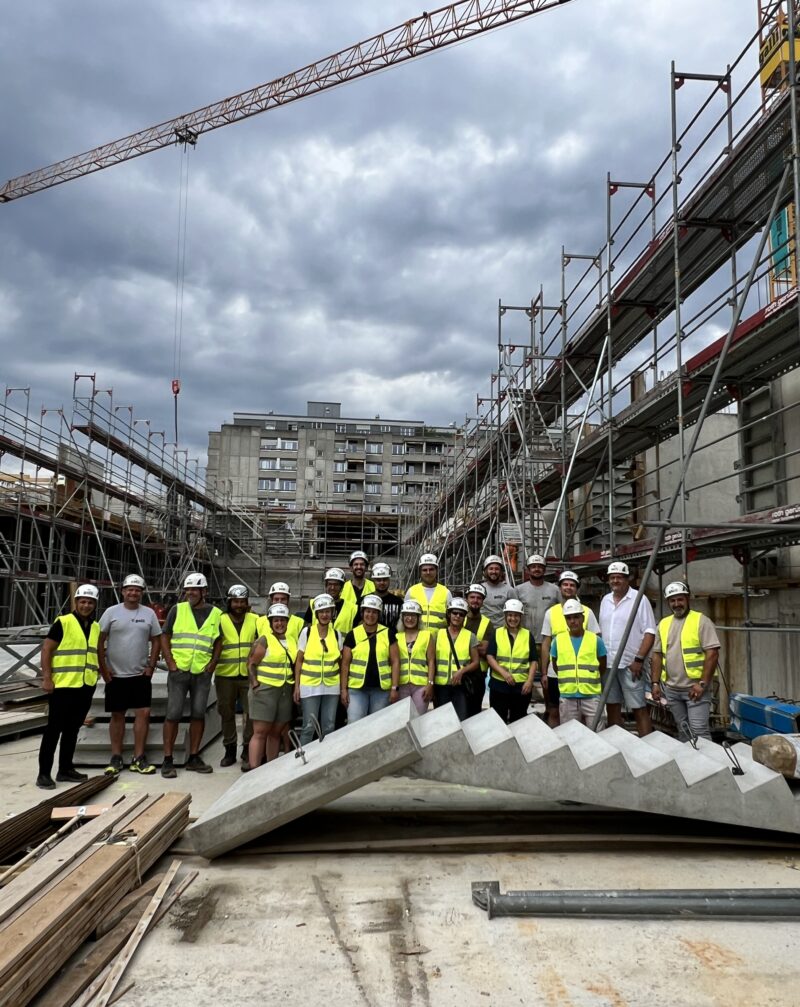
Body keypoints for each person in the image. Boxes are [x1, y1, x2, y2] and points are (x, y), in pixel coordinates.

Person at [36, 584, 100, 789]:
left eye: (90, 602)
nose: (86, 605)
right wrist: (47, 678)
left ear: (95, 604)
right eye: (82, 601)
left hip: (85, 685)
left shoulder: (95, 626)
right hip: (63, 685)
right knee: (53, 730)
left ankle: (65, 769)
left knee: (72, 729)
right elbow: (47, 650)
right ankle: (44, 774)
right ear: (76, 602)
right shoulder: (63, 622)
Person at [97, 573, 161, 775]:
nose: (133, 593)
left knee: (143, 713)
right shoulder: (111, 612)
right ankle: (116, 757)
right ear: (123, 591)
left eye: (137, 590)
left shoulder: (149, 614)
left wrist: (151, 666)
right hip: (116, 675)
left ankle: (138, 757)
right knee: (117, 716)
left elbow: (157, 640)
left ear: (141, 593)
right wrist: (103, 668)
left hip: (140, 675)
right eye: (130, 589)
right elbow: (99, 640)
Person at [159, 572, 222, 777]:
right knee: (173, 714)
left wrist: (212, 664)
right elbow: (165, 635)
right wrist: (170, 662)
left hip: (201, 673)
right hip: (179, 672)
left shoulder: (215, 613)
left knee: (198, 714)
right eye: (187, 590)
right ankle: (167, 759)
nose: (190, 593)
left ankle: (194, 757)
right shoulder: (177, 610)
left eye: (195, 589)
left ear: (204, 591)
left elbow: (219, 641)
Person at [650, 581, 721, 742]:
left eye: (680, 599)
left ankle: (708, 766)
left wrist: (702, 683)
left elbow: (712, 654)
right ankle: (689, 765)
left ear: (688, 599)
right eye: (672, 600)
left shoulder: (701, 621)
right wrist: (655, 683)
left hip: (695, 689)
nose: (676, 604)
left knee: (699, 731)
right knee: (683, 730)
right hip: (672, 689)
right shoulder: (664, 624)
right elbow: (656, 655)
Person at [598, 561, 655, 737]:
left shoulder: (639, 599)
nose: (615, 580)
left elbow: (650, 632)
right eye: (612, 577)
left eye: (619, 577)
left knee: (638, 707)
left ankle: (647, 744)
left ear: (627, 578)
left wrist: (639, 659)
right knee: (612, 706)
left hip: (631, 664)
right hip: (609, 664)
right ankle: (619, 744)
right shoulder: (605, 601)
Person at [540, 570, 601, 728]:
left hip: (584, 679)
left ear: (577, 588)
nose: (568, 587)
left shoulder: (587, 612)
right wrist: (545, 672)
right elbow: (546, 643)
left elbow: (597, 643)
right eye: (565, 584)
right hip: (557, 674)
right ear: (560, 588)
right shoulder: (551, 613)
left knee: (582, 716)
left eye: (572, 585)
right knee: (554, 710)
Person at [212, 584, 258, 769]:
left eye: (242, 601)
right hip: (225, 675)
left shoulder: (255, 619)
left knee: (251, 714)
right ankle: (229, 749)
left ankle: (247, 748)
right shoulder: (220, 620)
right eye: (235, 601)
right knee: (226, 713)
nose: (239, 605)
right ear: (229, 602)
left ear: (247, 603)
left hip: (248, 675)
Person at [247, 603, 296, 768]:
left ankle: (271, 768)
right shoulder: (264, 640)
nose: (279, 624)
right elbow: (251, 663)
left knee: (275, 733)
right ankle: (254, 771)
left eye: (283, 620)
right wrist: (255, 685)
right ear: (270, 622)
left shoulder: (291, 640)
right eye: (276, 620)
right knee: (260, 732)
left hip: (284, 690)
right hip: (265, 690)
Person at [341, 595, 400, 722]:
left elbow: (395, 662)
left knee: (377, 728)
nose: (370, 615)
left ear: (379, 614)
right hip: (357, 690)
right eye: (367, 611)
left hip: (381, 690)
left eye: (374, 612)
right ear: (362, 613)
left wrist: (395, 688)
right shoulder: (353, 635)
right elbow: (345, 664)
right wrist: (343, 689)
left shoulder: (388, 633)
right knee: (354, 724)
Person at [294, 593, 343, 744]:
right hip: (309, 686)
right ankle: (303, 763)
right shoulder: (307, 633)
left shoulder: (336, 634)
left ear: (332, 613)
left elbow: (340, 662)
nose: (324, 615)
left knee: (329, 727)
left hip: (331, 686)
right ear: (316, 614)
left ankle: (325, 761)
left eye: (328, 611)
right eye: (321, 612)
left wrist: (342, 686)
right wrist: (297, 686)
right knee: (309, 727)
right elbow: (299, 661)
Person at [551, 598, 607, 727]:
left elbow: (602, 666)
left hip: (591, 696)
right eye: (569, 618)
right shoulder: (558, 641)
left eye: (576, 617)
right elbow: (556, 666)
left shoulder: (595, 640)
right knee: (569, 736)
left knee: (597, 736)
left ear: (582, 618)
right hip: (567, 696)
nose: (573, 621)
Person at [487, 598, 537, 723]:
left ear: (521, 617)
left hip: (521, 686)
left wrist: (530, 681)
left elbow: (534, 661)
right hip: (499, 685)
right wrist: (504, 674)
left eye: (516, 615)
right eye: (510, 615)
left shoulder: (527, 635)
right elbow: (490, 656)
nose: (513, 619)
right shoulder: (497, 633)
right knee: (498, 721)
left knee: (519, 721)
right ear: (505, 616)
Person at [433, 597, 480, 721]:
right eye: (454, 613)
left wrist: (462, 671)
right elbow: (431, 661)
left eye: (461, 614)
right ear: (449, 614)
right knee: (442, 721)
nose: (457, 616)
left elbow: (476, 662)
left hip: (460, 687)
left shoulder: (470, 636)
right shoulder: (438, 634)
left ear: (464, 617)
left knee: (461, 720)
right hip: (441, 686)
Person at [514, 553, 559, 663]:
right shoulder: (518, 590)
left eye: (540, 567)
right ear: (528, 570)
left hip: (548, 640)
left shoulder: (555, 590)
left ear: (544, 570)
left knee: (546, 675)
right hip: (525, 640)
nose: (536, 569)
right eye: (533, 567)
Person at [396, 599, 435, 715]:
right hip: (401, 684)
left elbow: (432, 661)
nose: (410, 618)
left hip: (421, 686)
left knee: (418, 719)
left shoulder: (427, 635)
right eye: (407, 615)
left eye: (413, 615)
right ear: (402, 618)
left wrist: (430, 684)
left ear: (418, 618)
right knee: (402, 720)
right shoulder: (396, 637)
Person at [464, 583, 493, 716]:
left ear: (482, 601)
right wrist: (477, 645)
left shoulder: (487, 623)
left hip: (478, 675)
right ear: (467, 599)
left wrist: (465, 646)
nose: (475, 600)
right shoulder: (458, 618)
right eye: (472, 597)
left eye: (479, 598)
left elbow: (484, 650)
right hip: (459, 672)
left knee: (474, 712)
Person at [406, 553, 452, 632]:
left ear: (437, 571)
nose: (428, 572)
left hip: (439, 641)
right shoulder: (411, 591)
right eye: (424, 570)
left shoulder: (446, 592)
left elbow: (451, 619)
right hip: (417, 640)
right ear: (420, 572)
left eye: (431, 569)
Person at [304, 568, 357, 634]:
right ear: (326, 585)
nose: (332, 588)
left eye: (336, 585)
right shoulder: (314, 604)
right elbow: (306, 632)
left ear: (342, 586)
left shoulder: (353, 609)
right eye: (330, 584)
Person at [480, 554, 515, 628]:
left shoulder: (509, 590)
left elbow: (514, 613)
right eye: (491, 569)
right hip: (483, 631)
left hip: (502, 631)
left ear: (501, 572)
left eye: (497, 569)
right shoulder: (479, 589)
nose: (494, 571)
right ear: (485, 571)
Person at [371, 562, 403, 629]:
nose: (382, 583)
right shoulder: (365, 601)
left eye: (385, 579)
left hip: (393, 639)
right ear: (373, 581)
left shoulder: (398, 602)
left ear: (389, 580)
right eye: (378, 580)